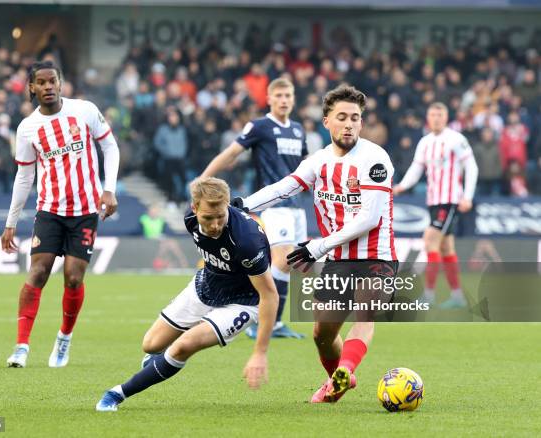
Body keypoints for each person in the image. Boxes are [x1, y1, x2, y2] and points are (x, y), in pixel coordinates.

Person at [235, 84, 398, 404]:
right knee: (322, 335)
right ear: (327, 122)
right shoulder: (319, 161)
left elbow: (368, 219)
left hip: (376, 254)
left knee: (364, 316)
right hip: (338, 258)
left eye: (355, 117)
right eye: (342, 117)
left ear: (362, 123)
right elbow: (285, 187)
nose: (349, 123)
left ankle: (346, 369)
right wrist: (243, 205)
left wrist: (318, 246)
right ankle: (335, 382)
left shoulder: (375, 159)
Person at [96, 177, 278, 411]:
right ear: (194, 208)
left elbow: (270, 295)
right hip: (206, 285)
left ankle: (116, 394)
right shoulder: (189, 218)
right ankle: (162, 362)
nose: (214, 225)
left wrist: (259, 353)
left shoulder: (247, 241)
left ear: (227, 207)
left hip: (243, 301)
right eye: (208, 218)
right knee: (151, 345)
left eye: (220, 217)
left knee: (183, 346)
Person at [2, 60, 119, 368]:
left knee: (73, 278)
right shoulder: (28, 128)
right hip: (50, 210)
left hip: (85, 210)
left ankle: (64, 339)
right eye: (41, 82)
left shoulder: (84, 110)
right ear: (32, 88)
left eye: (53, 80)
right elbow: (24, 177)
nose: (48, 86)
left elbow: (110, 147)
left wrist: (109, 189)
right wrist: (11, 222)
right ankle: (21, 346)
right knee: (38, 272)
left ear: (61, 82)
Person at [201, 77, 307, 339]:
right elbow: (232, 152)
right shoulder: (260, 126)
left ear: (293, 99)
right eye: (279, 96)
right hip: (274, 205)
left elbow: (305, 167)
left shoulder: (297, 130)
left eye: (288, 96)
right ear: (269, 99)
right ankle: (258, 317)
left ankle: (275, 323)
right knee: (282, 258)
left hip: (298, 207)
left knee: (290, 263)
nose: (284, 100)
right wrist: (204, 178)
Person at [393, 102, 478, 308]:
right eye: (432, 114)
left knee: (429, 239)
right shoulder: (425, 142)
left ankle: (428, 296)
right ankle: (457, 296)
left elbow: (471, 167)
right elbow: (416, 168)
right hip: (433, 201)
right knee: (446, 247)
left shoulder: (456, 139)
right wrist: (402, 186)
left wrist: (467, 196)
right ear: (428, 118)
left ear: (446, 117)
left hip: (449, 200)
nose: (436, 118)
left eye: (440, 114)